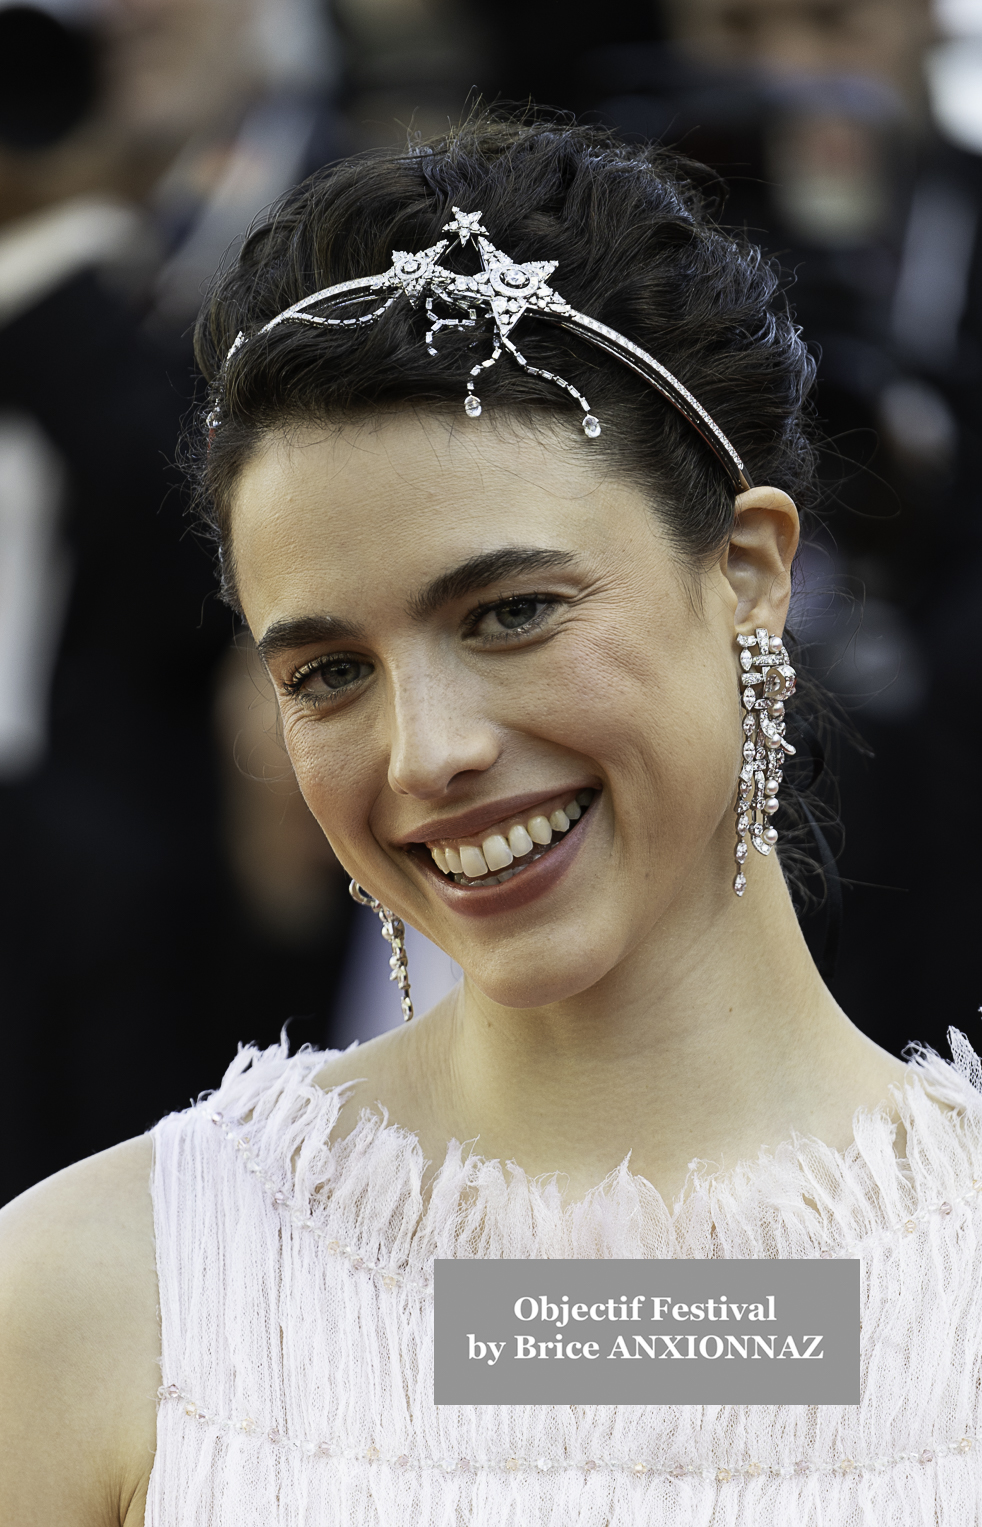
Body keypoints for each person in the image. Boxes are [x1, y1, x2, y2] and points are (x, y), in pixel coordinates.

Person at [1, 117, 981, 1526]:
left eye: (511, 613)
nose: (430, 752)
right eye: (331, 672)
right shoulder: (94, 1309)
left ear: (750, 573)